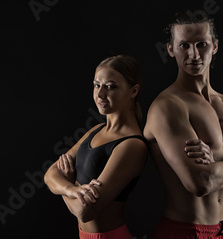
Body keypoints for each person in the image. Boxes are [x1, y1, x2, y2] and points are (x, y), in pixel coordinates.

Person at [144, 11, 223, 238]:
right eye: (184, 45)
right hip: (182, 231)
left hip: (220, 232)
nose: (193, 54)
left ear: (215, 46)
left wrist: (218, 164)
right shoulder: (168, 106)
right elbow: (200, 182)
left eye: (202, 44)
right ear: (170, 49)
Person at [44, 55, 148, 239]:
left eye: (110, 87)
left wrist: (68, 180)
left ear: (133, 91)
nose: (100, 94)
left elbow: (86, 212)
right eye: (96, 85)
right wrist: (71, 189)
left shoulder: (132, 145)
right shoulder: (97, 130)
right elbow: (50, 174)